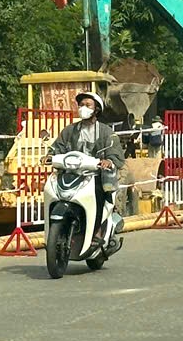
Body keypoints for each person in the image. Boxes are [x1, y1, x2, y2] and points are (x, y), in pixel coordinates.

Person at [49, 92, 126, 244]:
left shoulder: (106, 132)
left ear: (96, 109)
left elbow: (115, 153)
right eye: (81, 105)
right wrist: (50, 155)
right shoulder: (70, 130)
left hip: (95, 175)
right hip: (72, 174)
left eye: (87, 105)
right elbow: (58, 147)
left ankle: (98, 230)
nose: (83, 108)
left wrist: (108, 161)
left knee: (99, 194)